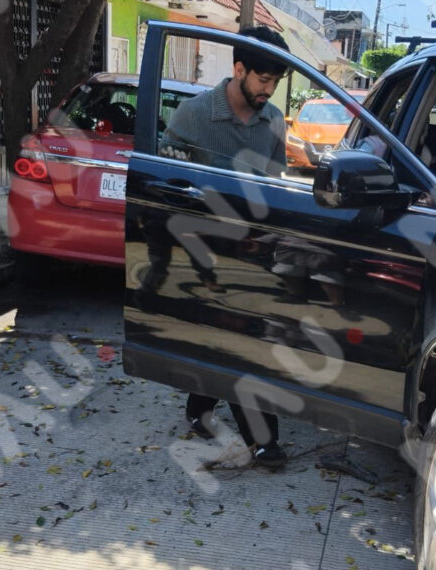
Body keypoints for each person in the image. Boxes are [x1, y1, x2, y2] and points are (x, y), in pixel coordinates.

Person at [160, 25, 291, 468]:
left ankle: (199, 406)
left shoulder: (273, 121)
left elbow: (276, 187)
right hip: (204, 251)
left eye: (276, 82)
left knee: (232, 338)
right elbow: (163, 185)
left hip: (253, 251)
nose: (268, 91)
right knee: (238, 340)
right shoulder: (192, 116)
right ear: (239, 69)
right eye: (262, 80)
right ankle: (264, 441)